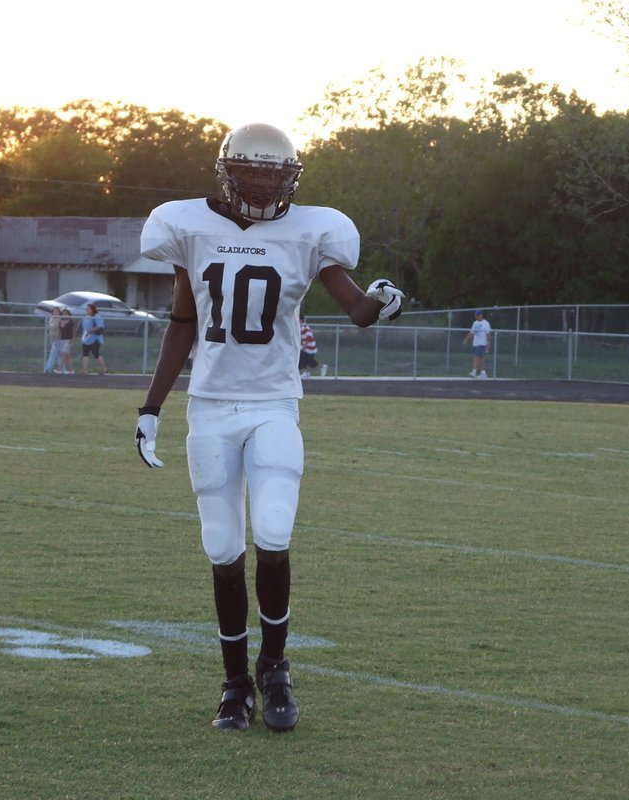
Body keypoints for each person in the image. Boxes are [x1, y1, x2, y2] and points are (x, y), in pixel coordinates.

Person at [133, 123, 404, 732]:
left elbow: (355, 308)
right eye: (252, 172)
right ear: (228, 172)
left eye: (274, 174)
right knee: (223, 547)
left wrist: (380, 304)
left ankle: (275, 669)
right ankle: (234, 687)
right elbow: (182, 321)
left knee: (274, 533)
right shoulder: (188, 226)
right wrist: (151, 407)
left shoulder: (312, 230)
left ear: (290, 178)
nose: (262, 184)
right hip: (209, 406)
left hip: (275, 403)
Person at [43, 307, 75, 374]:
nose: (55, 312)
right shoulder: (57, 320)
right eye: (54, 311)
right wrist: (57, 339)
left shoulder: (68, 321)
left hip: (67, 340)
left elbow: (73, 331)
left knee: (62, 354)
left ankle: (58, 370)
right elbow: (58, 331)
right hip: (59, 340)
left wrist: (72, 339)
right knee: (66, 356)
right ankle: (70, 371)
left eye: (57, 311)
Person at [80, 302, 107, 375]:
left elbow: (99, 326)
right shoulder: (86, 317)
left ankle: (103, 368)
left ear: (93, 309)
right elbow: (84, 327)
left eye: (89, 309)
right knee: (85, 354)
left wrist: (90, 330)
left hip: (95, 339)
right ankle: (84, 370)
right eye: (87, 309)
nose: (87, 310)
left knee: (96, 354)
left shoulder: (97, 316)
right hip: (86, 339)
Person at [464, 308, 492, 378]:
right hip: (475, 343)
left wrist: (488, 343)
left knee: (477, 356)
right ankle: (483, 373)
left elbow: (488, 334)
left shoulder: (486, 323)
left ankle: (474, 371)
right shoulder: (475, 323)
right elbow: (471, 333)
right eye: (476, 315)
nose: (477, 316)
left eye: (478, 315)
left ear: (481, 315)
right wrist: (466, 339)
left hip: (482, 343)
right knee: (480, 358)